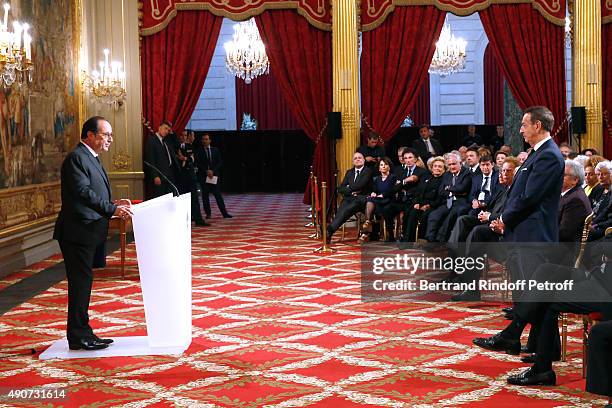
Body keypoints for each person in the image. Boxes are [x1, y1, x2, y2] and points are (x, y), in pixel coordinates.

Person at [472, 106, 565, 360]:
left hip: (534, 235)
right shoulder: (538, 153)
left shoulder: (548, 155)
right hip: (523, 231)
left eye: (524, 125)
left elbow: (529, 197)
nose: (521, 130)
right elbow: (518, 194)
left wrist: (503, 219)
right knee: (528, 291)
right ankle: (535, 346)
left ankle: (523, 341)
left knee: (535, 293)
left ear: (538, 125)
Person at [53, 116, 133, 351]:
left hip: (88, 231)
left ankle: (83, 333)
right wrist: (112, 209)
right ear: (90, 135)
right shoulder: (77, 158)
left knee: (83, 283)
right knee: (79, 285)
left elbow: (94, 191)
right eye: (105, 134)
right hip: (77, 232)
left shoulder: (90, 158)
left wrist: (113, 203)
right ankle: (78, 335)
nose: (110, 139)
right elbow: (82, 192)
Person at [327, 152, 373, 241]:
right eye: (355, 158)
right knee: (342, 210)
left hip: (363, 200)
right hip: (350, 198)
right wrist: (351, 192)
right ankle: (330, 231)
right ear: (353, 161)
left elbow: (360, 185)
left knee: (347, 209)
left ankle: (329, 230)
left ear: (364, 160)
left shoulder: (368, 171)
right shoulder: (349, 172)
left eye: (360, 157)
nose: (357, 159)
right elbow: (341, 188)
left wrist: (348, 188)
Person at [401, 157, 446, 242]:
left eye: (440, 167)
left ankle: (422, 239)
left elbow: (441, 198)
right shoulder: (427, 178)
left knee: (424, 215)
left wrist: (428, 205)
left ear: (444, 169)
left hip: (434, 205)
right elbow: (418, 193)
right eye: (435, 166)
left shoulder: (444, 180)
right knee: (410, 211)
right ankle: (407, 239)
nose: (437, 168)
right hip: (421, 203)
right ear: (431, 168)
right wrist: (417, 203)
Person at [360, 157, 398, 242]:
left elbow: (392, 190)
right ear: (379, 168)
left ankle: (367, 227)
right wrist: (374, 193)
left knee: (383, 208)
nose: (383, 166)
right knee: (370, 198)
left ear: (389, 167)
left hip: (389, 200)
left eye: (385, 164)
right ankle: (368, 222)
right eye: (381, 165)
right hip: (379, 200)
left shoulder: (393, 177)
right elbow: (375, 189)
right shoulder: (377, 179)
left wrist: (383, 195)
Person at [196, 133, 232, 219]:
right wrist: (206, 171)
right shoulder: (198, 151)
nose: (205, 141)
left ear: (210, 140)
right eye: (203, 139)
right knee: (205, 196)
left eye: (206, 139)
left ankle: (224, 213)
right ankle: (208, 214)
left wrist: (213, 171)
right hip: (204, 176)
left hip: (214, 176)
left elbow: (219, 162)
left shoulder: (215, 150)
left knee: (218, 195)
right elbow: (197, 163)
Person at [177, 130, 209, 226]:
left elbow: (192, 159)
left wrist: (184, 158)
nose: (184, 137)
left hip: (190, 176)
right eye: (182, 135)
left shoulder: (189, 146)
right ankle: (183, 220)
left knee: (195, 199)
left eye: (185, 135)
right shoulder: (175, 147)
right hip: (180, 177)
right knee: (181, 199)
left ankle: (198, 220)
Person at [144, 120, 179, 198]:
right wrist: (155, 176)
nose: (166, 131)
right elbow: (150, 159)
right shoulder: (152, 140)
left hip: (169, 175)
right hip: (159, 176)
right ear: (159, 128)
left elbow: (177, 145)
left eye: (168, 130)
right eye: (165, 128)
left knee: (170, 198)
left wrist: (172, 133)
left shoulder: (167, 141)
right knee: (160, 198)